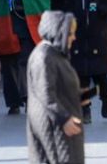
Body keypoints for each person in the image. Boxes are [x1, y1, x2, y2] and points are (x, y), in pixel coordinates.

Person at [26, 10, 84, 164]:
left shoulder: (54, 54)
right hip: (54, 128)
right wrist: (64, 118)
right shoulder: (45, 56)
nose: (73, 37)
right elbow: (46, 94)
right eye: (70, 33)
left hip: (58, 126)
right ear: (58, 32)